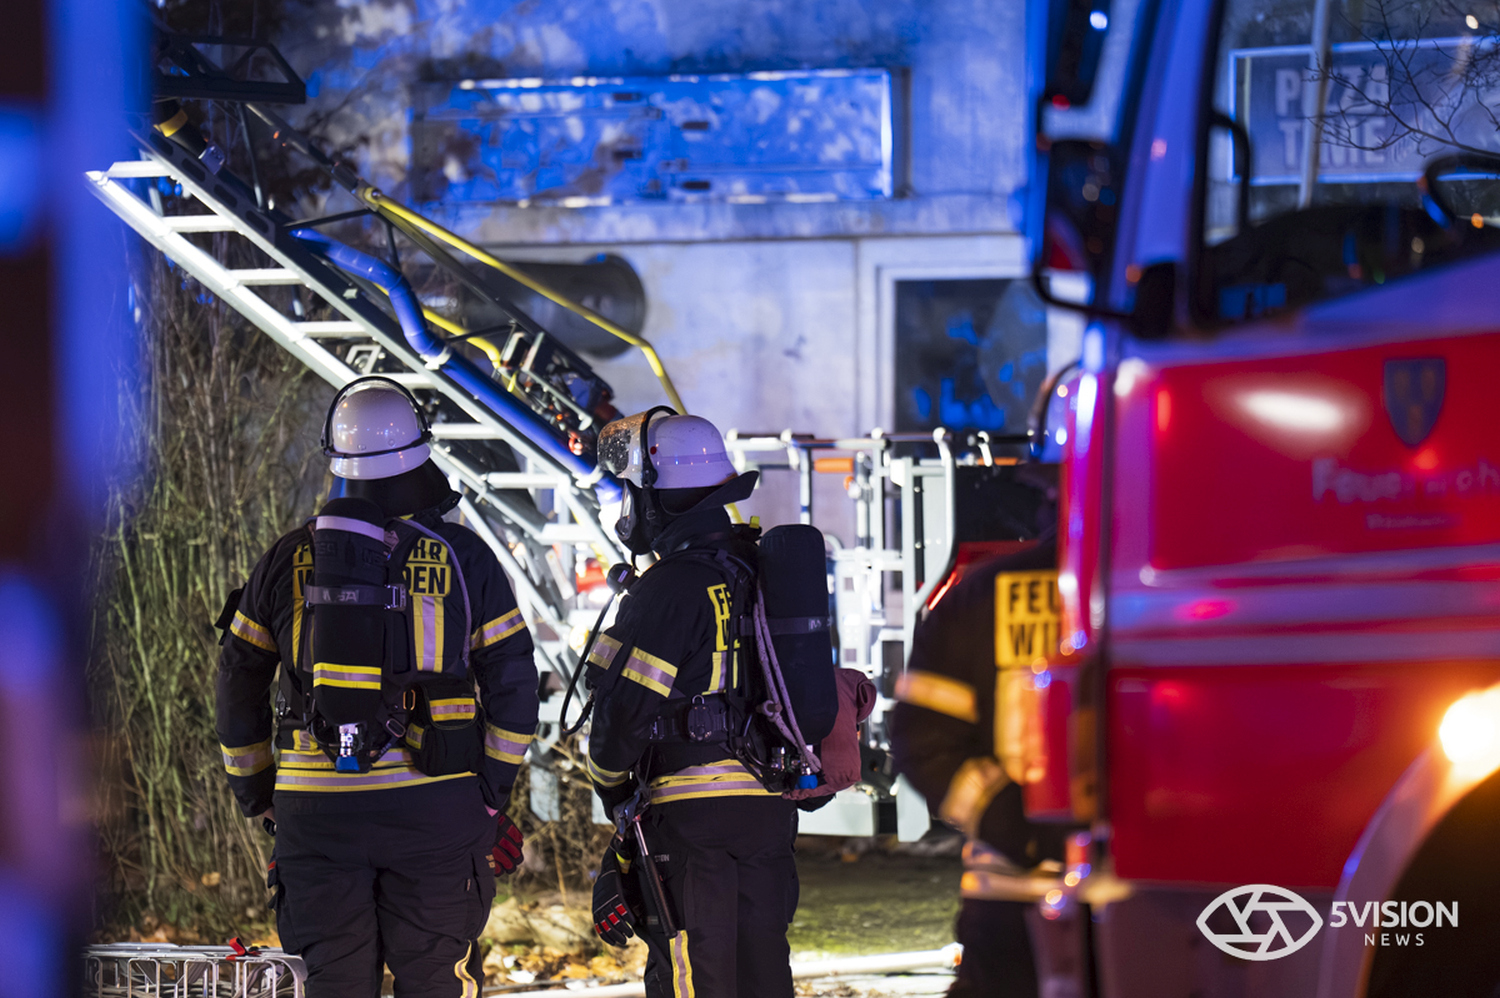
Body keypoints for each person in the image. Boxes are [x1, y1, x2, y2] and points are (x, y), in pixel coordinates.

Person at [215, 377, 539, 996]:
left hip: (315, 807)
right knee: (432, 980)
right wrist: (490, 794)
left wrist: (258, 791)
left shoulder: (286, 557)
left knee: (333, 982)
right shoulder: (465, 558)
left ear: (338, 463)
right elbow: (514, 684)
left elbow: (237, 679)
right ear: (419, 454)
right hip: (437, 807)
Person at [583, 408, 808, 998]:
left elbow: (621, 716)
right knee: (763, 974)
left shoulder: (668, 586)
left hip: (690, 819)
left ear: (655, 499)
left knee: (693, 976)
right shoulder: (760, 571)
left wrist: (611, 791)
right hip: (768, 810)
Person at [889, 537, 1068, 998]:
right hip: (1162, 899)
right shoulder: (1198, 592)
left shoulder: (985, 590)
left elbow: (924, 741)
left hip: (1012, 896)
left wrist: (1017, 828)